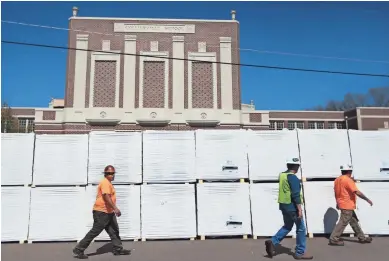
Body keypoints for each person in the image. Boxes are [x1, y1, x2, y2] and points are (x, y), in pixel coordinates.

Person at [73, 165, 131, 259]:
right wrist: (115, 208)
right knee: (95, 231)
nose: (111, 175)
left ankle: (118, 249)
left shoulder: (108, 183)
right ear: (105, 174)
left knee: (114, 230)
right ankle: (79, 249)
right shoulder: (105, 183)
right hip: (101, 212)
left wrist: (112, 209)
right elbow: (106, 196)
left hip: (108, 211)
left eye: (113, 173)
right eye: (109, 173)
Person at [265, 158, 313, 260]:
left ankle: (273, 242)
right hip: (292, 207)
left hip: (283, 205)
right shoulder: (293, 178)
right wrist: (299, 209)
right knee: (301, 228)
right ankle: (300, 252)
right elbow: (296, 195)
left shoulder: (282, 175)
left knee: (287, 226)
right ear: (296, 167)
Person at [328, 164, 373, 246]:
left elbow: (336, 193)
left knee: (354, 222)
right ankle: (333, 239)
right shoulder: (348, 180)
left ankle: (362, 238)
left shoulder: (337, 180)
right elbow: (356, 192)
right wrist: (367, 199)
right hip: (347, 205)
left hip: (343, 204)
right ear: (350, 171)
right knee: (343, 222)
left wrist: (337, 203)